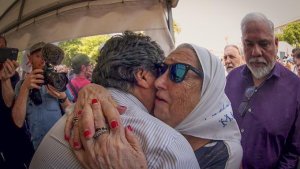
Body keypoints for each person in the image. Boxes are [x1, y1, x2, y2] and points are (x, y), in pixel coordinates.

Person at [30, 31, 200, 169]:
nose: (162, 81)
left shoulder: (75, 113)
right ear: (142, 75)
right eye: (160, 70)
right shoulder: (169, 147)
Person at [62, 43, 243, 168]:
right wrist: (95, 90)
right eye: (161, 70)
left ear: (208, 90)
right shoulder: (154, 122)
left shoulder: (225, 154)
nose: (158, 82)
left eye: (177, 72)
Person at [225, 12, 300, 168]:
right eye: (249, 44)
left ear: (276, 43)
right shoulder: (231, 79)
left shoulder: (295, 88)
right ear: (242, 44)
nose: (256, 52)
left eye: (264, 43)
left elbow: (293, 151)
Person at [12, 42, 71, 150]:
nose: (43, 60)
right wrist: (25, 88)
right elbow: (18, 121)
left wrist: (63, 98)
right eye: (38, 56)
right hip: (38, 147)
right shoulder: (21, 85)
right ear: (29, 58)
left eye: (45, 57)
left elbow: (72, 112)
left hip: (63, 141)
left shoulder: (57, 80)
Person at [0, 35, 34, 169]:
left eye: (2, 48)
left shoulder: (12, 74)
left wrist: (5, 79)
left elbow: (9, 103)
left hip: (17, 132)